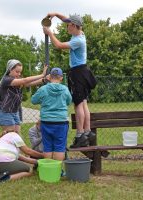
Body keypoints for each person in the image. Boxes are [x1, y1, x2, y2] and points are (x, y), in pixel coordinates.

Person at [42, 13, 97, 148]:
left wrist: (49, 33)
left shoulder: (77, 40)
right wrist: (55, 14)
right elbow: (66, 19)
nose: (67, 27)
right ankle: (88, 132)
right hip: (83, 72)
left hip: (77, 73)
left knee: (78, 104)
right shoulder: (80, 32)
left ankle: (80, 135)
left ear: (74, 26)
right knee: (83, 103)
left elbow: (59, 45)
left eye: (68, 25)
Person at [0, 59, 47, 133]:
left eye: (20, 72)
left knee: (16, 136)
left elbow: (28, 84)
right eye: (17, 71)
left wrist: (44, 79)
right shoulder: (6, 79)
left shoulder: (16, 80)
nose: (19, 74)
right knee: (10, 136)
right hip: (5, 112)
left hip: (15, 112)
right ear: (10, 70)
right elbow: (25, 80)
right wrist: (42, 75)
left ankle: (1, 143)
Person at [31, 67, 72, 161]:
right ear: (61, 77)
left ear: (50, 77)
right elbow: (69, 101)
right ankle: (57, 170)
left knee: (47, 146)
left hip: (46, 121)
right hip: (61, 122)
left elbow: (33, 100)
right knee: (60, 147)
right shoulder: (65, 89)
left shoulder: (43, 89)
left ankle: (48, 169)